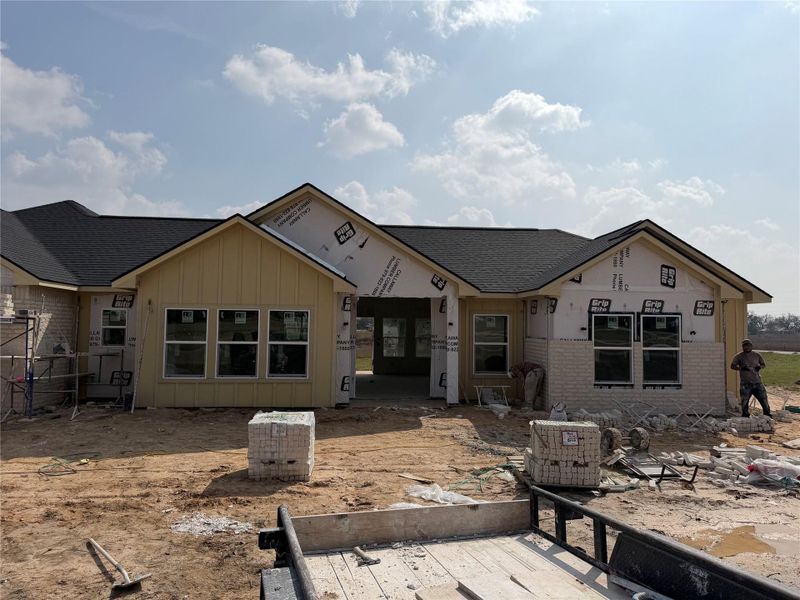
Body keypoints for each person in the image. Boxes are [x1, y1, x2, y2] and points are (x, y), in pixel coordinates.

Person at [730, 339, 770, 417]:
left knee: (764, 399)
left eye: (748, 345)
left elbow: (763, 364)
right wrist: (741, 368)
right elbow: (732, 366)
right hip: (745, 383)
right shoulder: (739, 356)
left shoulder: (757, 355)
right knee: (744, 401)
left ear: (751, 346)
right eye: (745, 346)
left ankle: (767, 414)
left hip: (757, 382)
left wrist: (759, 367)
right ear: (742, 347)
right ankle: (745, 415)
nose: (747, 347)